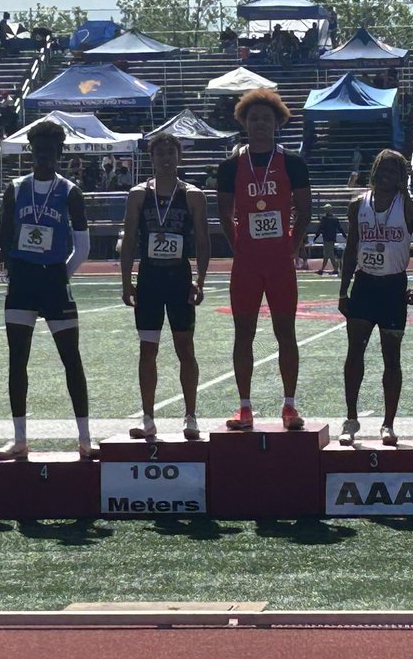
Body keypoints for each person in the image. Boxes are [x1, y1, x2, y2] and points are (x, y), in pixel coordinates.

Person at [0, 118, 93, 459]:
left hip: (53, 282)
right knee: (17, 360)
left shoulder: (70, 191)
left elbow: (83, 245)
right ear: (31, 152)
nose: (45, 156)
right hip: (22, 283)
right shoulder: (16, 188)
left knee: (72, 359)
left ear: (60, 152)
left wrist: (61, 274)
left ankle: (84, 438)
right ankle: (20, 439)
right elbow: (3, 236)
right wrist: (12, 267)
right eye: (39, 150)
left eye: (51, 150)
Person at [217, 88, 312, 430]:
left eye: (266, 119)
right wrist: (237, 243)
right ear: (244, 122)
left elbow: (304, 210)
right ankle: (244, 407)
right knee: (243, 333)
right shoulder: (231, 165)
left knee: (285, 332)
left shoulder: (293, 163)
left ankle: (289, 406)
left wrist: (292, 245)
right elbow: (223, 212)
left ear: (277, 123)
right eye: (253, 118)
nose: (260, 124)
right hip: (246, 263)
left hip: (279, 262)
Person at [120, 132, 210, 441]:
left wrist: (200, 279)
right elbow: (130, 240)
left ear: (179, 158)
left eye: (171, 153)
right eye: (160, 154)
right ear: (152, 158)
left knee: (185, 347)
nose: (166, 158)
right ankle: (148, 417)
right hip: (149, 279)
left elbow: (202, 240)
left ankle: (191, 415)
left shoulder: (193, 195)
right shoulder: (138, 194)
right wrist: (125, 281)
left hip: (179, 278)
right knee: (148, 350)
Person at [338, 151, 413, 446]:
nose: (385, 173)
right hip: (364, 286)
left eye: (393, 168)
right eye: (381, 167)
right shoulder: (358, 204)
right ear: (373, 170)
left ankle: (388, 424)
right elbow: (351, 248)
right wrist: (343, 290)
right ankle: (351, 419)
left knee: (392, 357)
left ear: (403, 175)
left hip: (393, 288)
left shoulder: (412, 206)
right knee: (355, 351)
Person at [316, 205, 343, 275]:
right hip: (332, 237)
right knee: (326, 254)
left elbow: (320, 228)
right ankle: (322, 269)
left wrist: (316, 236)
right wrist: (344, 235)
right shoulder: (335, 218)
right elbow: (340, 228)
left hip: (326, 238)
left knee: (330, 253)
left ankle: (336, 268)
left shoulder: (324, 218)